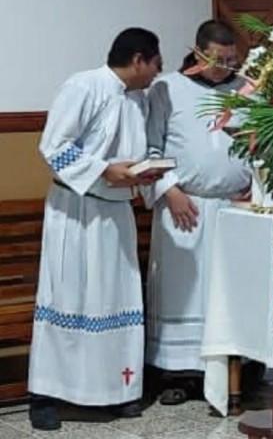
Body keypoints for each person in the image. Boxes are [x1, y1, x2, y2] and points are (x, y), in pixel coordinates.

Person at [28, 28, 163, 431]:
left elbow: (133, 150)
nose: (158, 72)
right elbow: (54, 146)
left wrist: (142, 170)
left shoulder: (138, 98)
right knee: (68, 294)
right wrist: (105, 169)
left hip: (116, 213)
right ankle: (45, 396)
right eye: (156, 63)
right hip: (76, 211)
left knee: (113, 298)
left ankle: (114, 391)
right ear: (138, 59)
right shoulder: (83, 86)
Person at [145, 20, 252, 405]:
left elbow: (259, 146)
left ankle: (238, 370)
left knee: (233, 293)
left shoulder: (246, 89)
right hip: (184, 208)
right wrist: (168, 189)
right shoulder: (166, 90)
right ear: (198, 50)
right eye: (218, 59)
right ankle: (179, 375)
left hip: (234, 208)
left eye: (231, 59)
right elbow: (150, 149)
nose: (226, 66)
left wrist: (254, 187)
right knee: (184, 296)